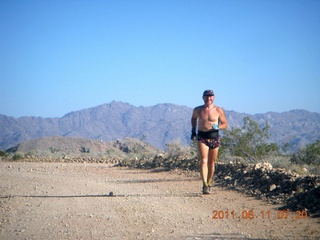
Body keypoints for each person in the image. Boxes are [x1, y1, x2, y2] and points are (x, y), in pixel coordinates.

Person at [191, 90, 228, 194]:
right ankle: (204, 185)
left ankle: (209, 181)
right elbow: (193, 119)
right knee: (203, 161)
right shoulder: (198, 110)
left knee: (211, 163)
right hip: (202, 137)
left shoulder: (218, 110)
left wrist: (218, 127)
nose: (209, 98)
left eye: (211, 96)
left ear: (214, 98)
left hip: (214, 137)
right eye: (207, 96)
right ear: (203, 98)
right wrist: (193, 130)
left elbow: (225, 124)